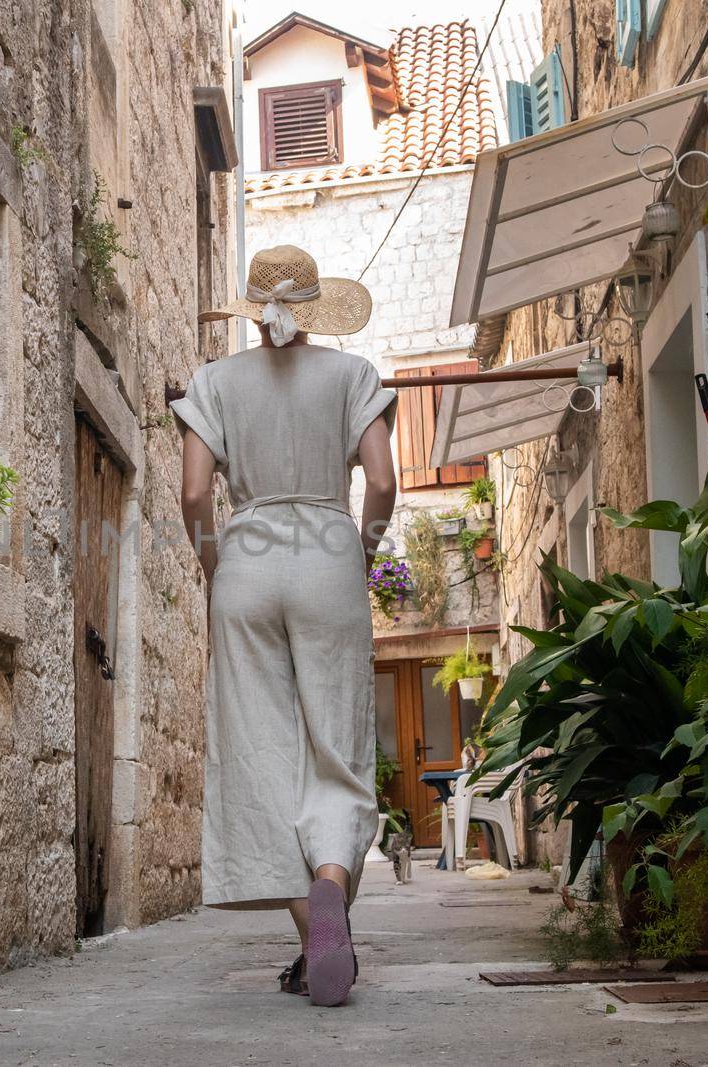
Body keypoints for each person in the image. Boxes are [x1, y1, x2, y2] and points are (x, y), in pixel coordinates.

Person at [170, 245, 397, 1008]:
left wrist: (216, 567)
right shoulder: (351, 374)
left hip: (248, 556)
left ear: (252, 306)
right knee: (336, 743)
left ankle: (312, 940)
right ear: (314, 307)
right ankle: (332, 882)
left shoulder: (214, 382)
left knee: (263, 754)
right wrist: (357, 552)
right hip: (331, 550)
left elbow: (195, 493)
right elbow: (386, 480)